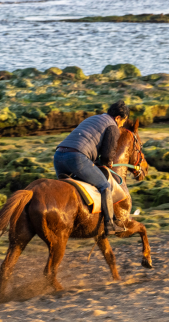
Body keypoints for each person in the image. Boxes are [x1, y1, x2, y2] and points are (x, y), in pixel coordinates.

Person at [54, 100, 129, 235]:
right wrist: (108, 161)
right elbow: (107, 155)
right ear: (118, 118)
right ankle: (110, 224)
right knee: (104, 185)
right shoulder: (112, 126)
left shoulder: (93, 118)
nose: (121, 125)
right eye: (122, 122)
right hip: (76, 158)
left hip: (58, 156)